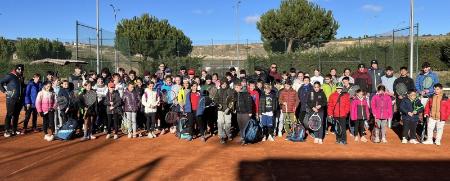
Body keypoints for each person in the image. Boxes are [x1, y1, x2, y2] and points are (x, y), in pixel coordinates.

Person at [0, 64, 25, 137]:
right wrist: (4, 91)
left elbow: (22, 86)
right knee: (9, 114)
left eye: (21, 69)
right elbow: (0, 82)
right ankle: (6, 131)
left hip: (19, 99)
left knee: (16, 115)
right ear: (16, 69)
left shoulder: (20, 77)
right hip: (11, 99)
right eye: (19, 69)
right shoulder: (10, 76)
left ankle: (14, 129)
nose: (20, 71)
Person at [214, 80, 234, 144]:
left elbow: (232, 101)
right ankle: (222, 137)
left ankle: (228, 134)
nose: (223, 85)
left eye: (225, 84)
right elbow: (215, 99)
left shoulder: (230, 90)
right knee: (220, 122)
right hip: (220, 110)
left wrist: (228, 108)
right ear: (221, 84)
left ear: (227, 84)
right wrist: (218, 104)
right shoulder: (219, 91)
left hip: (228, 110)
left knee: (228, 123)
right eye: (222, 84)